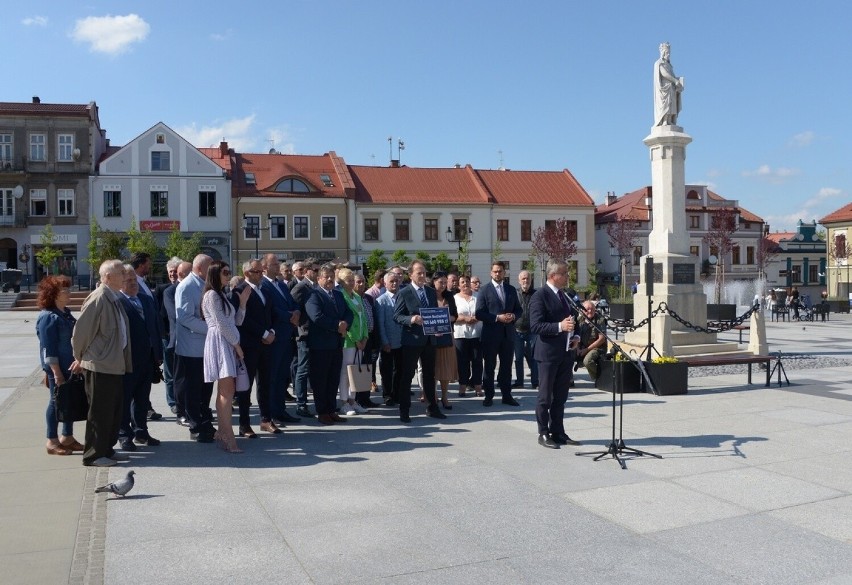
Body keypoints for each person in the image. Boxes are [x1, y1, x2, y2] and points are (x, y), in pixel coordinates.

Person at [71, 260, 133, 467]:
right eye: (120, 272)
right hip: (99, 365)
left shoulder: (113, 298)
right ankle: (93, 455)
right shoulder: (99, 298)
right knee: (99, 412)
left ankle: (106, 449)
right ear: (107, 277)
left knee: (113, 411)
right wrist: (79, 357)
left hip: (114, 365)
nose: (125, 275)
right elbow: (81, 332)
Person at [529, 259, 581, 449]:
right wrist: (560, 327)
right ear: (553, 276)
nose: (568, 276)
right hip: (548, 355)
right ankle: (543, 433)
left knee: (561, 396)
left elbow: (572, 320)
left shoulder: (564, 295)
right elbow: (535, 325)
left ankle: (558, 431)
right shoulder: (539, 296)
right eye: (564, 273)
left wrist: (575, 335)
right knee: (545, 397)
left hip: (565, 353)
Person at [202, 261, 250, 453]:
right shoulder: (212, 295)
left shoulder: (220, 294)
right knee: (226, 393)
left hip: (226, 342)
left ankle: (223, 432)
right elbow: (221, 324)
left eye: (229, 271)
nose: (229, 275)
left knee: (226, 393)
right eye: (225, 272)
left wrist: (243, 305)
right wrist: (237, 346)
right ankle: (228, 436)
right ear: (215, 274)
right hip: (221, 343)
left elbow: (236, 321)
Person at [36, 275, 84, 456]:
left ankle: (67, 437)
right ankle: (52, 440)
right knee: (56, 402)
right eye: (65, 290)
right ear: (54, 294)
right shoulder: (48, 317)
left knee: (67, 401)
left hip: (70, 366)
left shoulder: (65, 312)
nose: (69, 292)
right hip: (58, 368)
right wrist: (56, 373)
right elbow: (48, 348)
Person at [117, 265, 163, 451]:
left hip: (147, 358)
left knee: (142, 399)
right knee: (125, 399)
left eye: (135, 280)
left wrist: (158, 354)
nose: (133, 284)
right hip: (127, 359)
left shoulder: (145, 299)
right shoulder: (117, 301)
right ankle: (124, 435)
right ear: (120, 282)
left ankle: (141, 431)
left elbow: (154, 327)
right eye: (129, 281)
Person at [393, 260, 446, 422]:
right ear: (411, 275)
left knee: (430, 375)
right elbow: (397, 316)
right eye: (419, 273)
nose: (423, 276)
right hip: (411, 340)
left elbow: (434, 314)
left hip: (430, 340)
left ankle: (432, 407)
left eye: (424, 272)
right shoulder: (404, 292)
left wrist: (438, 328)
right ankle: (404, 410)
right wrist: (412, 319)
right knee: (407, 375)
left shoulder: (430, 292)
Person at [232, 259, 278, 436]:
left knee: (265, 383)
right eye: (256, 272)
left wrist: (272, 330)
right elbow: (242, 320)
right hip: (249, 345)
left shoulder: (264, 290)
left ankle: (266, 419)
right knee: (246, 386)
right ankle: (244, 424)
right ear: (246, 273)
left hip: (266, 345)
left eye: (261, 271)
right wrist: (264, 334)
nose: (260, 274)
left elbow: (271, 313)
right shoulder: (239, 291)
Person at [174, 254, 215, 443]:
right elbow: (184, 318)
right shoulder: (187, 286)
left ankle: (205, 420)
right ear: (199, 269)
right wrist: (211, 329)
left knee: (206, 388)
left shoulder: (205, 284)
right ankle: (195, 425)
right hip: (191, 348)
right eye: (209, 267)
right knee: (193, 389)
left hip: (205, 347)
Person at [305, 264, 353, 425]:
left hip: (336, 344)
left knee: (333, 379)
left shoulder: (338, 295)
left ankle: (331, 409)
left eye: (332, 276)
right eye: (326, 277)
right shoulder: (314, 295)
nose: (330, 279)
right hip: (320, 345)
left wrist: (345, 323)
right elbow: (316, 317)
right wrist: (336, 325)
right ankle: (322, 411)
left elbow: (348, 312)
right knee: (321, 380)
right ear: (319, 279)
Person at [259, 253, 301, 425]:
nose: (278, 266)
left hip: (286, 336)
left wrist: (296, 312)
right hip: (274, 338)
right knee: (272, 377)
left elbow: (292, 302)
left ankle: (281, 410)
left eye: (278, 263)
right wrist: (289, 316)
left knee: (283, 376)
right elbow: (271, 309)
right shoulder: (263, 286)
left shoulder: (282, 285)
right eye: (274, 264)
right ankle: (271, 413)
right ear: (265, 267)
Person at [475, 261, 523, 407]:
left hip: (508, 335)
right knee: (489, 366)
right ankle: (489, 396)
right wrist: (497, 318)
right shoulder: (484, 290)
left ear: (504, 273)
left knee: (506, 366)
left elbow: (518, 310)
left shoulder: (510, 289)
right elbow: (479, 313)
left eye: (500, 271)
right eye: (495, 271)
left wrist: (513, 316)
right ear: (491, 273)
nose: (498, 273)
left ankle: (506, 395)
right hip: (491, 335)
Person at [336, 268, 369, 416]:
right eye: (348, 280)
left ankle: (352, 400)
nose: (351, 282)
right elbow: (346, 320)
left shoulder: (356, 296)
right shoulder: (341, 296)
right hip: (349, 341)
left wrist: (365, 337)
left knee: (355, 371)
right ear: (342, 282)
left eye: (352, 280)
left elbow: (363, 318)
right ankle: (344, 402)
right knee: (345, 371)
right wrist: (355, 339)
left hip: (361, 339)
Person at [290, 262, 319, 417]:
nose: (318, 272)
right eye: (315, 270)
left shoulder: (314, 286)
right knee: (303, 369)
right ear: (307, 271)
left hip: (316, 334)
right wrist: (299, 326)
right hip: (304, 334)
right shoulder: (302, 287)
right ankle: (301, 404)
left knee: (313, 369)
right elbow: (292, 306)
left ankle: (315, 402)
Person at [155, 257, 182, 416]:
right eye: (170, 271)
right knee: (170, 372)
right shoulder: (162, 289)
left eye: (175, 271)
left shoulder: (185, 287)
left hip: (183, 336)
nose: (172, 274)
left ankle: (182, 399)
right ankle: (172, 402)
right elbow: (158, 314)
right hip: (167, 336)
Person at [354, 272, 382, 407]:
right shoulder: (351, 298)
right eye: (358, 282)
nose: (361, 284)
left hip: (370, 337)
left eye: (363, 282)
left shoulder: (369, 298)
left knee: (367, 368)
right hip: (357, 339)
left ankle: (365, 398)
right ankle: (357, 399)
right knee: (357, 369)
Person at [376, 271, 403, 406]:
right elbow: (380, 324)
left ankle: (397, 394)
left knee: (399, 369)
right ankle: (387, 395)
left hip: (402, 340)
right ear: (385, 283)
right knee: (387, 370)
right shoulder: (381, 301)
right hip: (388, 341)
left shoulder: (403, 297)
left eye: (396, 281)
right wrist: (384, 341)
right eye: (391, 281)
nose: (394, 283)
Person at [453, 275, 483, 398]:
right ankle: (462, 386)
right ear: (458, 285)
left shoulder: (478, 297)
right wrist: (464, 318)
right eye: (462, 282)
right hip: (461, 334)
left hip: (477, 334)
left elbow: (484, 311)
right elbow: (452, 315)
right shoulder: (454, 298)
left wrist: (476, 317)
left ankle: (478, 387)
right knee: (462, 362)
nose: (465, 284)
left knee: (477, 361)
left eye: (467, 281)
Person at [432, 272, 458, 410]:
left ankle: (445, 396)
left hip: (447, 336)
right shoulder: (428, 296)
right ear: (434, 282)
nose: (442, 285)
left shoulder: (449, 297)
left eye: (444, 282)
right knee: (432, 368)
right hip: (432, 338)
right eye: (440, 282)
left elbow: (455, 316)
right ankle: (433, 395)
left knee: (446, 368)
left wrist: (446, 318)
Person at [513, 269, 538, 390]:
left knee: (534, 357)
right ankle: (519, 381)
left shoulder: (536, 294)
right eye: (523, 278)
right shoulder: (514, 294)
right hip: (517, 330)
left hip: (532, 331)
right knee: (518, 358)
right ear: (519, 281)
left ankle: (535, 381)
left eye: (527, 278)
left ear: (531, 280)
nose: (525, 281)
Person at [654, 41, 683, 127]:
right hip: (664, 88)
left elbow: (671, 74)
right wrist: (675, 81)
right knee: (665, 105)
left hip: (671, 88)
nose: (668, 54)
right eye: (667, 52)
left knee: (672, 105)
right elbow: (664, 74)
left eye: (669, 53)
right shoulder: (659, 63)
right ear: (662, 52)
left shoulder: (669, 65)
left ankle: (670, 120)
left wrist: (678, 83)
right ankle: (665, 120)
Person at [576, 301, 606, 382]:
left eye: (592, 309)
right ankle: (568, 379)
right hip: (582, 347)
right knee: (567, 356)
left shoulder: (600, 319)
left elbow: (601, 339)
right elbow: (576, 335)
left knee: (587, 361)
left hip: (597, 348)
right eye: (587, 309)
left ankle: (600, 378)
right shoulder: (579, 320)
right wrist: (578, 348)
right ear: (582, 310)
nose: (590, 311)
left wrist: (586, 350)